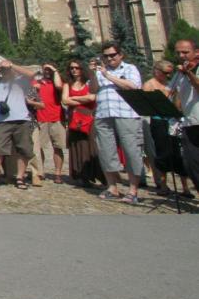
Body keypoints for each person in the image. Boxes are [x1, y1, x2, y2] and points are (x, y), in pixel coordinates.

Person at [89, 42, 144, 204]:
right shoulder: (100, 72)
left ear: (120, 55)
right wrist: (93, 74)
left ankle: (133, 190)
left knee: (131, 150)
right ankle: (112, 187)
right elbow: (93, 90)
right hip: (104, 114)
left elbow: (133, 86)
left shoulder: (129, 69)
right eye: (105, 56)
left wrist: (108, 76)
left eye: (112, 55)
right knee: (106, 150)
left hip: (126, 114)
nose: (109, 58)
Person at [0, 60, 36, 190]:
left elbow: (31, 75)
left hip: (21, 119)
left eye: (6, 69)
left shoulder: (20, 80)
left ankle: (20, 177)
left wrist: (12, 65)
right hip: (2, 121)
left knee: (23, 149)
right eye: (3, 69)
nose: (5, 71)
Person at [143, 59, 188, 197]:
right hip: (159, 121)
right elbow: (148, 105)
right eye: (165, 73)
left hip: (173, 121)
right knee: (162, 152)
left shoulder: (170, 84)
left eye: (170, 73)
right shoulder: (149, 84)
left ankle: (185, 188)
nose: (168, 76)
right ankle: (163, 185)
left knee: (178, 153)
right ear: (157, 71)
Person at [60, 59, 102, 188]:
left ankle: (94, 173)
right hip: (75, 117)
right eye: (72, 68)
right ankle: (81, 175)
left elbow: (92, 97)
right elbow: (64, 100)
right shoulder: (68, 83)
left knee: (91, 145)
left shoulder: (89, 82)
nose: (74, 70)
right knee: (77, 145)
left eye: (77, 68)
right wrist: (82, 100)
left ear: (82, 69)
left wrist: (74, 98)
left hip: (88, 116)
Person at [169, 39, 199, 193]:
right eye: (178, 52)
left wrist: (188, 73)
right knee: (192, 164)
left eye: (185, 52)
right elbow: (171, 93)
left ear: (196, 52)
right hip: (189, 122)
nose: (181, 56)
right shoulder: (179, 73)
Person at [32, 63, 66, 184]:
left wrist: (54, 71)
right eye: (45, 69)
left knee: (57, 147)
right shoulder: (37, 82)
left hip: (56, 118)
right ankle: (40, 171)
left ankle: (58, 173)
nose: (47, 71)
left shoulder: (59, 82)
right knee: (39, 147)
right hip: (41, 118)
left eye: (49, 69)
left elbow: (59, 86)